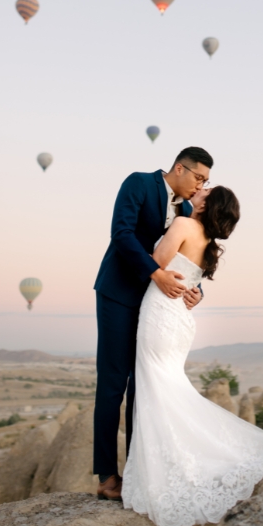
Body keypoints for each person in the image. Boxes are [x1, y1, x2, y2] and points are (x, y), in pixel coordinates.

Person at [120, 184, 263, 526]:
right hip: (179, 319)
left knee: (159, 389)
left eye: (204, 192)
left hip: (160, 312)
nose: (197, 191)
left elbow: (156, 263)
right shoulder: (208, 243)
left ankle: (174, 468)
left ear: (206, 205)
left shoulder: (183, 226)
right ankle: (176, 462)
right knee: (166, 388)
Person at [92, 147, 214, 501]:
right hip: (118, 293)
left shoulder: (189, 211)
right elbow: (122, 233)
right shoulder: (139, 183)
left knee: (143, 386)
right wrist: (155, 273)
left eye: (206, 182)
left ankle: (137, 470)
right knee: (113, 382)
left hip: (155, 307)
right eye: (199, 178)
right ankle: (106, 475)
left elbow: (188, 254)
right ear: (180, 168)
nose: (200, 186)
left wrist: (196, 290)